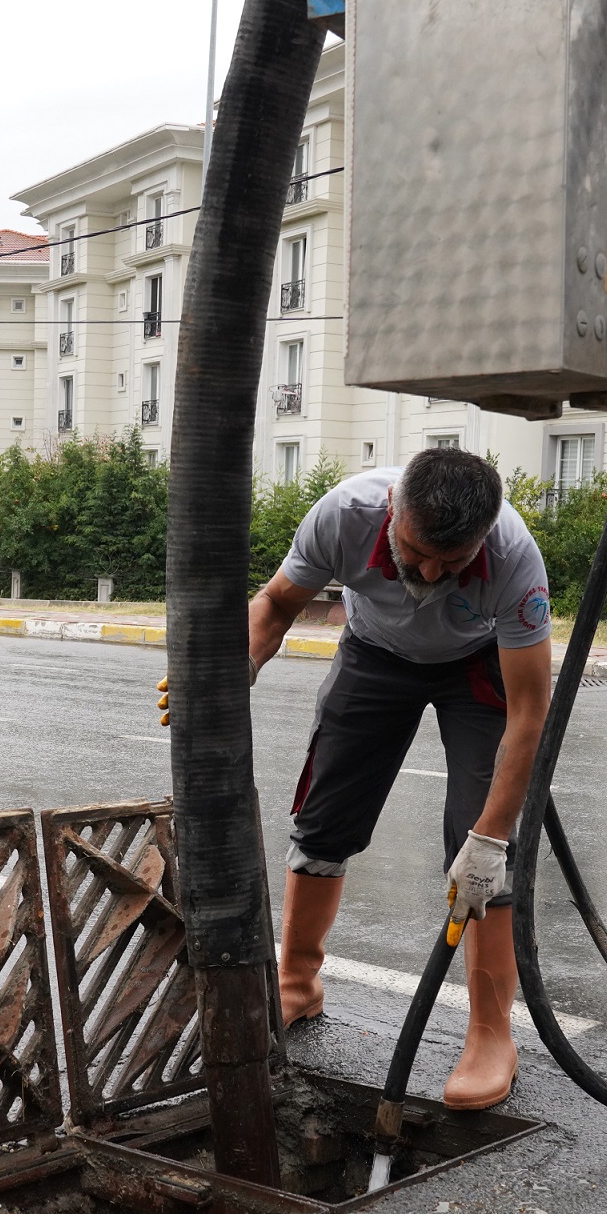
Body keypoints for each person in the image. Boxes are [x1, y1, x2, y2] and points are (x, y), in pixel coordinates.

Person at [249, 447, 552, 1110]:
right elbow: (275, 605)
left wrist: (492, 839)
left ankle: (491, 1034)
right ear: (393, 511)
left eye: (453, 562)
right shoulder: (344, 514)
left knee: (481, 854)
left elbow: (529, 713)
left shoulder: (513, 559)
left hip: (476, 669)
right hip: (375, 653)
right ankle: (296, 982)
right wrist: (222, 681)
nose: (429, 571)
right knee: (325, 818)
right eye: (416, 551)